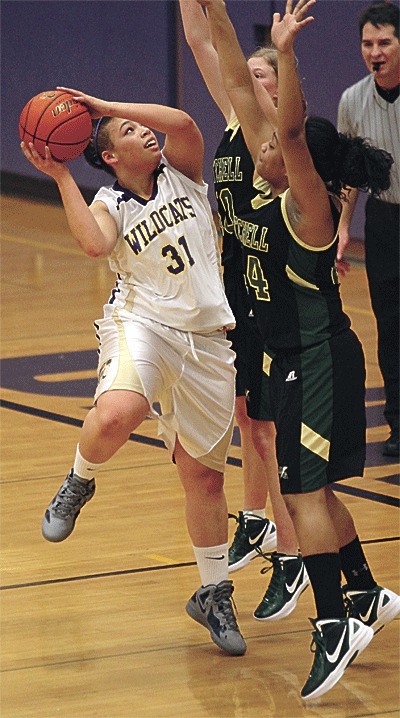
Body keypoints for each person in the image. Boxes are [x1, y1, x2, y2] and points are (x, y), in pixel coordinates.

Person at [197, 0, 400, 700]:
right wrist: (216, 14)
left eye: (276, 146)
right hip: (285, 357)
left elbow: (285, 122)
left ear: (299, 158)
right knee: (309, 489)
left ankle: (333, 623)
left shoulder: (307, 208)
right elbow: (231, 73)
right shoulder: (265, 176)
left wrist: (287, 53)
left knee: (301, 492)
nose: (262, 148)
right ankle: (366, 594)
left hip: (317, 358)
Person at [20, 90, 247, 657]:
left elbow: (186, 123)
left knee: (206, 480)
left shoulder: (186, 172)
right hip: (143, 324)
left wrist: (100, 104)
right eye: (126, 131)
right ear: (112, 157)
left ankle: (214, 592)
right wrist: (62, 178)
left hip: (208, 341)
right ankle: (79, 480)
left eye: (139, 125)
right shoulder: (110, 203)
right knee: (121, 410)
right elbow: (95, 245)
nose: (144, 132)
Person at [179, 0, 309, 624]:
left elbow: (225, 47)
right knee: (245, 415)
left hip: (282, 300)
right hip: (240, 292)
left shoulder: (283, 142)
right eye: (250, 75)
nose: (251, 80)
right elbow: (208, 43)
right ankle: (259, 522)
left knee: (268, 429)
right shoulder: (235, 118)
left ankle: (293, 553)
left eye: (266, 76)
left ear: (282, 88)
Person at [337, 2, 399, 458]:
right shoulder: (352, 101)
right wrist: (342, 226)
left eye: (384, 42)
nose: (375, 52)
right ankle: (398, 424)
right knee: (391, 327)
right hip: (384, 222)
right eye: (367, 43)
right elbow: (350, 175)